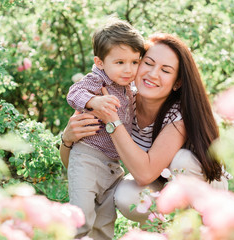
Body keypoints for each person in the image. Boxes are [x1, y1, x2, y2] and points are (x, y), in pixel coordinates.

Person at [60, 33, 230, 228]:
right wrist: (68, 139)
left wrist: (112, 120)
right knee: (125, 195)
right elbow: (78, 164)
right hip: (162, 182)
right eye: (148, 63)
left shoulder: (178, 115)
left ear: (177, 82)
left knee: (182, 160)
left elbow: (144, 174)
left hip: (204, 188)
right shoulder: (120, 97)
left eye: (165, 70)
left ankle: (199, 229)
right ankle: (159, 229)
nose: (153, 74)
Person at [65, 18, 145, 240]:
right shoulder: (97, 80)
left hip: (112, 166)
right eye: (119, 62)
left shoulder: (128, 86)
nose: (128, 69)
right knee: (82, 217)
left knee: (104, 222)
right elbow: (74, 93)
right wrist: (93, 102)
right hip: (87, 158)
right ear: (100, 62)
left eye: (134, 62)